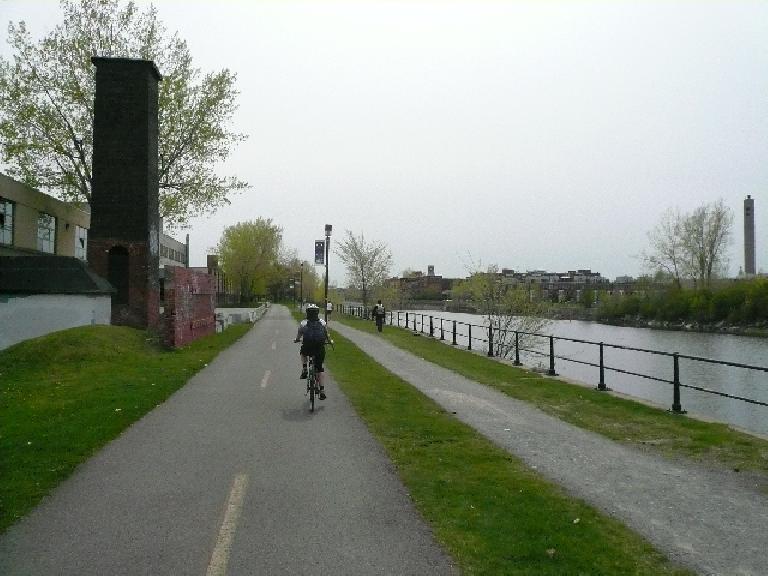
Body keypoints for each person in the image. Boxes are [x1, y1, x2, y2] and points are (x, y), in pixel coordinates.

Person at [294, 303, 329, 399]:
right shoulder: (322, 322)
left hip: (308, 347)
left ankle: (305, 368)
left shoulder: (303, 323)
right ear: (317, 312)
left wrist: (297, 340)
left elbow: (299, 334)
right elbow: (326, 335)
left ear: (307, 312)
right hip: (319, 348)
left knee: (303, 353)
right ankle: (322, 390)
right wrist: (328, 341)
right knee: (320, 368)